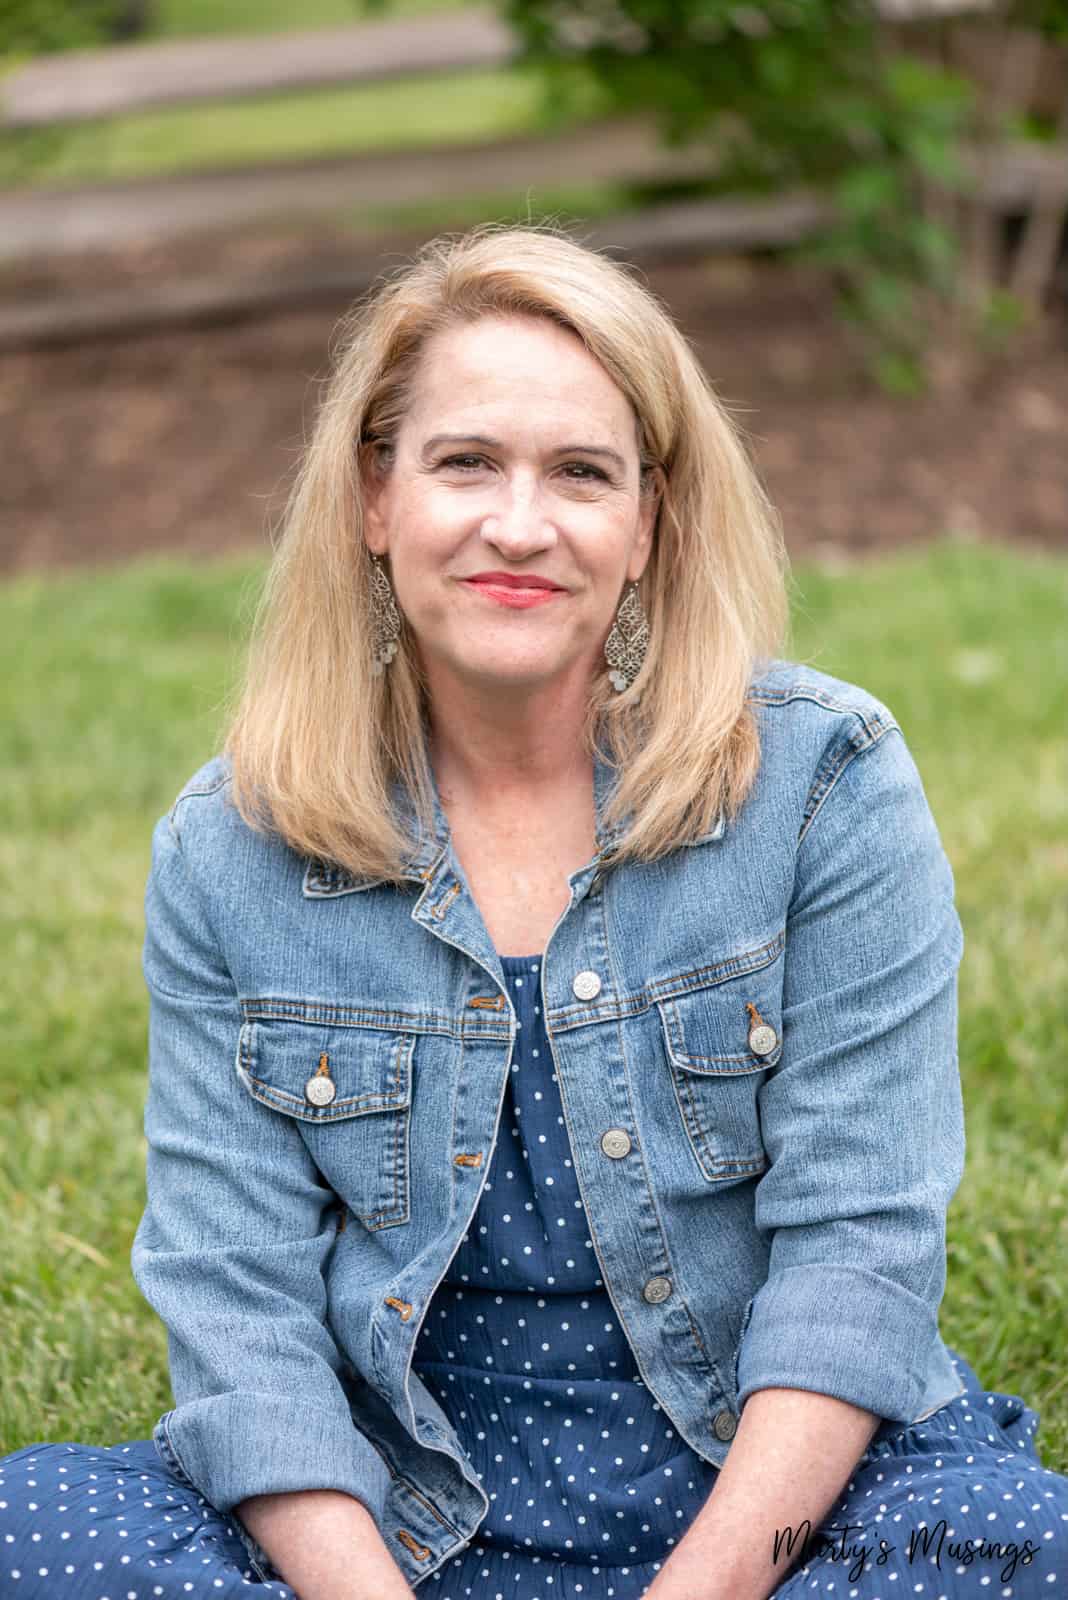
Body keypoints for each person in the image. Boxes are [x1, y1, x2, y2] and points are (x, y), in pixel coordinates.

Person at [2, 223, 1066, 1600]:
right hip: (401, 1513)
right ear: (372, 503)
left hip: (775, 1497)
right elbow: (239, 1311)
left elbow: (861, 1254)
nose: (520, 524)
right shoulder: (233, 852)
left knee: (1018, 1556)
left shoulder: (825, 786)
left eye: (580, 472)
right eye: (464, 464)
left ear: (649, 522)